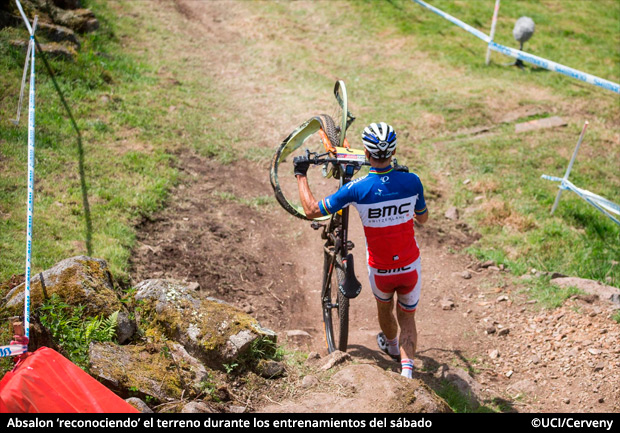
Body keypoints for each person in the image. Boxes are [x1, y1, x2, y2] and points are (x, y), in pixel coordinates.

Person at [293, 122, 428, 379]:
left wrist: (301, 173)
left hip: (381, 271)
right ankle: (407, 375)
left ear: (366, 154)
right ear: (394, 150)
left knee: (385, 308)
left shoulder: (357, 188)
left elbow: (312, 210)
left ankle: (389, 345)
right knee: (407, 319)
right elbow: (423, 219)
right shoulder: (413, 181)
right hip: (410, 266)